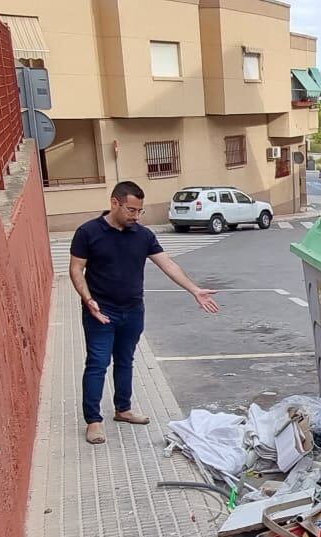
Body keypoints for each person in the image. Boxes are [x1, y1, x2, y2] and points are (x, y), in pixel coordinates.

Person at [68, 181, 220, 445]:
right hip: (100, 313)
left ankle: (123, 409)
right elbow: (75, 268)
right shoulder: (88, 232)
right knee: (97, 364)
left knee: (126, 361)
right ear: (114, 203)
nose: (135, 216)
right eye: (131, 210)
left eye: (140, 211)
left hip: (133, 310)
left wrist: (194, 290)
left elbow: (168, 264)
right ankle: (93, 420)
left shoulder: (143, 235)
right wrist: (88, 299)